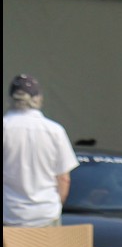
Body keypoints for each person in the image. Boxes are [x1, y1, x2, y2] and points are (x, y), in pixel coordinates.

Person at [3, 74, 77, 227]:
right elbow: (63, 179)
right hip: (46, 214)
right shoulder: (55, 130)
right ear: (38, 98)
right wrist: (56, 206)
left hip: (9, 214)